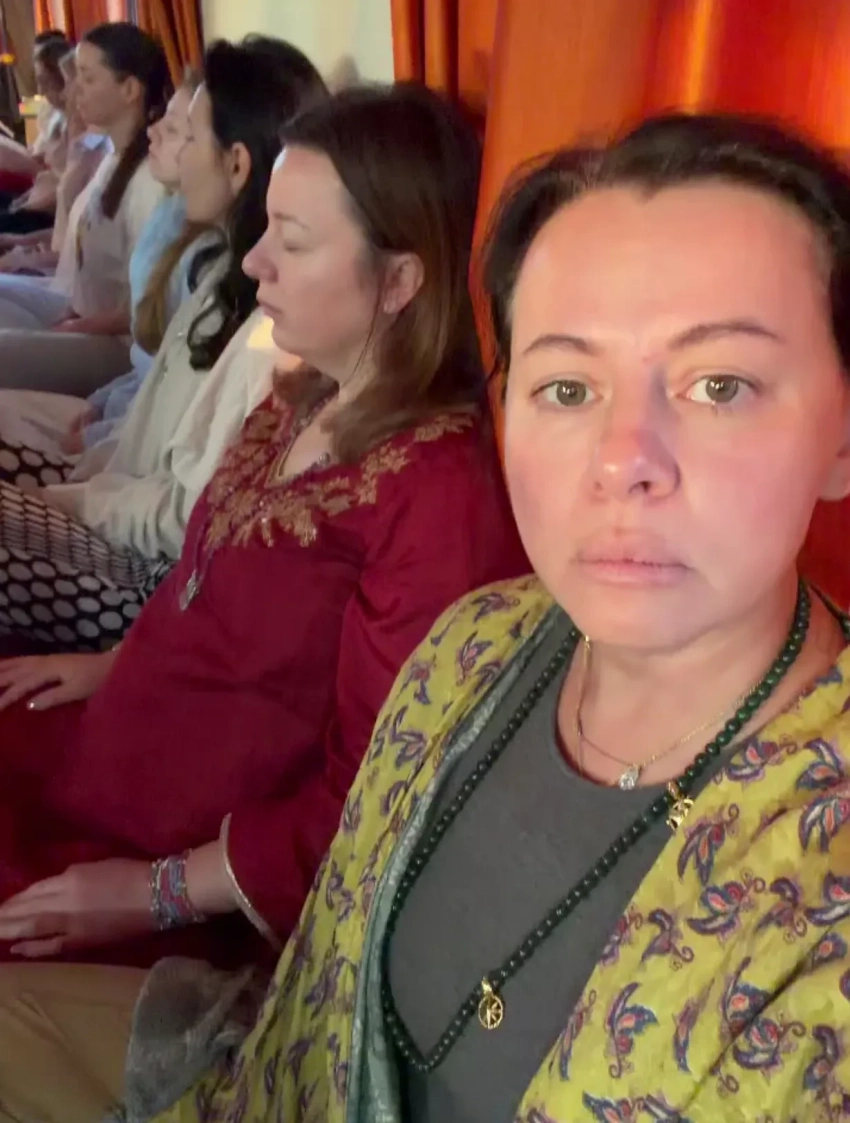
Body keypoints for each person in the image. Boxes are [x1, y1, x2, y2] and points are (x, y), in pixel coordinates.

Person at [10, 110, 850, 1123]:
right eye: (566, 386)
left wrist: (157, 888)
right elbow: (324, 992)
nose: (623, 458)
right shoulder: (472, 646)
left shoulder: (820, 898)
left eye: (720, 385)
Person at [0, 79, 527, 995]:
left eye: (292, 239)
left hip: (186, 866)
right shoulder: (302, 395)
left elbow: (372, 792)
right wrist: (116, 662)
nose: (254, 262)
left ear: (401, 280)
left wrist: (151, 892)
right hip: (123, 753)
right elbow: (205, 586)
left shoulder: (439, 497)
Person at [0, 37, 326, 651]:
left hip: (148, 572)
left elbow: (183, 521)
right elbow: (152, 443)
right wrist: (84, 480)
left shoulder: (271, 336)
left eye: (187, 134)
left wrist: (74, 498)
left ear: (237, 165)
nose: (166, 141)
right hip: (125, 514)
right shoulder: (223, 275)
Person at [0, 70, 210, 471]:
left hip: (121, 363)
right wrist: (104, 404)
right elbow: (152, 363)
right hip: (125, 383)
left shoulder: (201, 252)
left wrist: (101, 432)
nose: (73, 89)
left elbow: (167, 382)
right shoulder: (166, 208)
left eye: (87, 77)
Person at [0, 22, 170, 396]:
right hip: (81, 310)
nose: (74, 90)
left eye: (88, 78)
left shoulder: (149, 181)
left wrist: (77, 327)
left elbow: (149, 305)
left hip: (120, 344)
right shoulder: (114, 158)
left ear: (129, 90)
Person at [0, 48, 111, 277]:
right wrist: (21, 242)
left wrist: (26, 255)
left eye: (81, 82)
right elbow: (65, 236)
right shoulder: (82, 145)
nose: (66, 93)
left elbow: (81, 252)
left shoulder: (98, 152)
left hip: (64, 275)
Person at [0, 37, 70, 235]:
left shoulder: (82, 128)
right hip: (31, 198)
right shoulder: (56, 116)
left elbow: (63, 188)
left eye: (45, 82)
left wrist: (22, 208)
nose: (40, 91)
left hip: (43, 212)